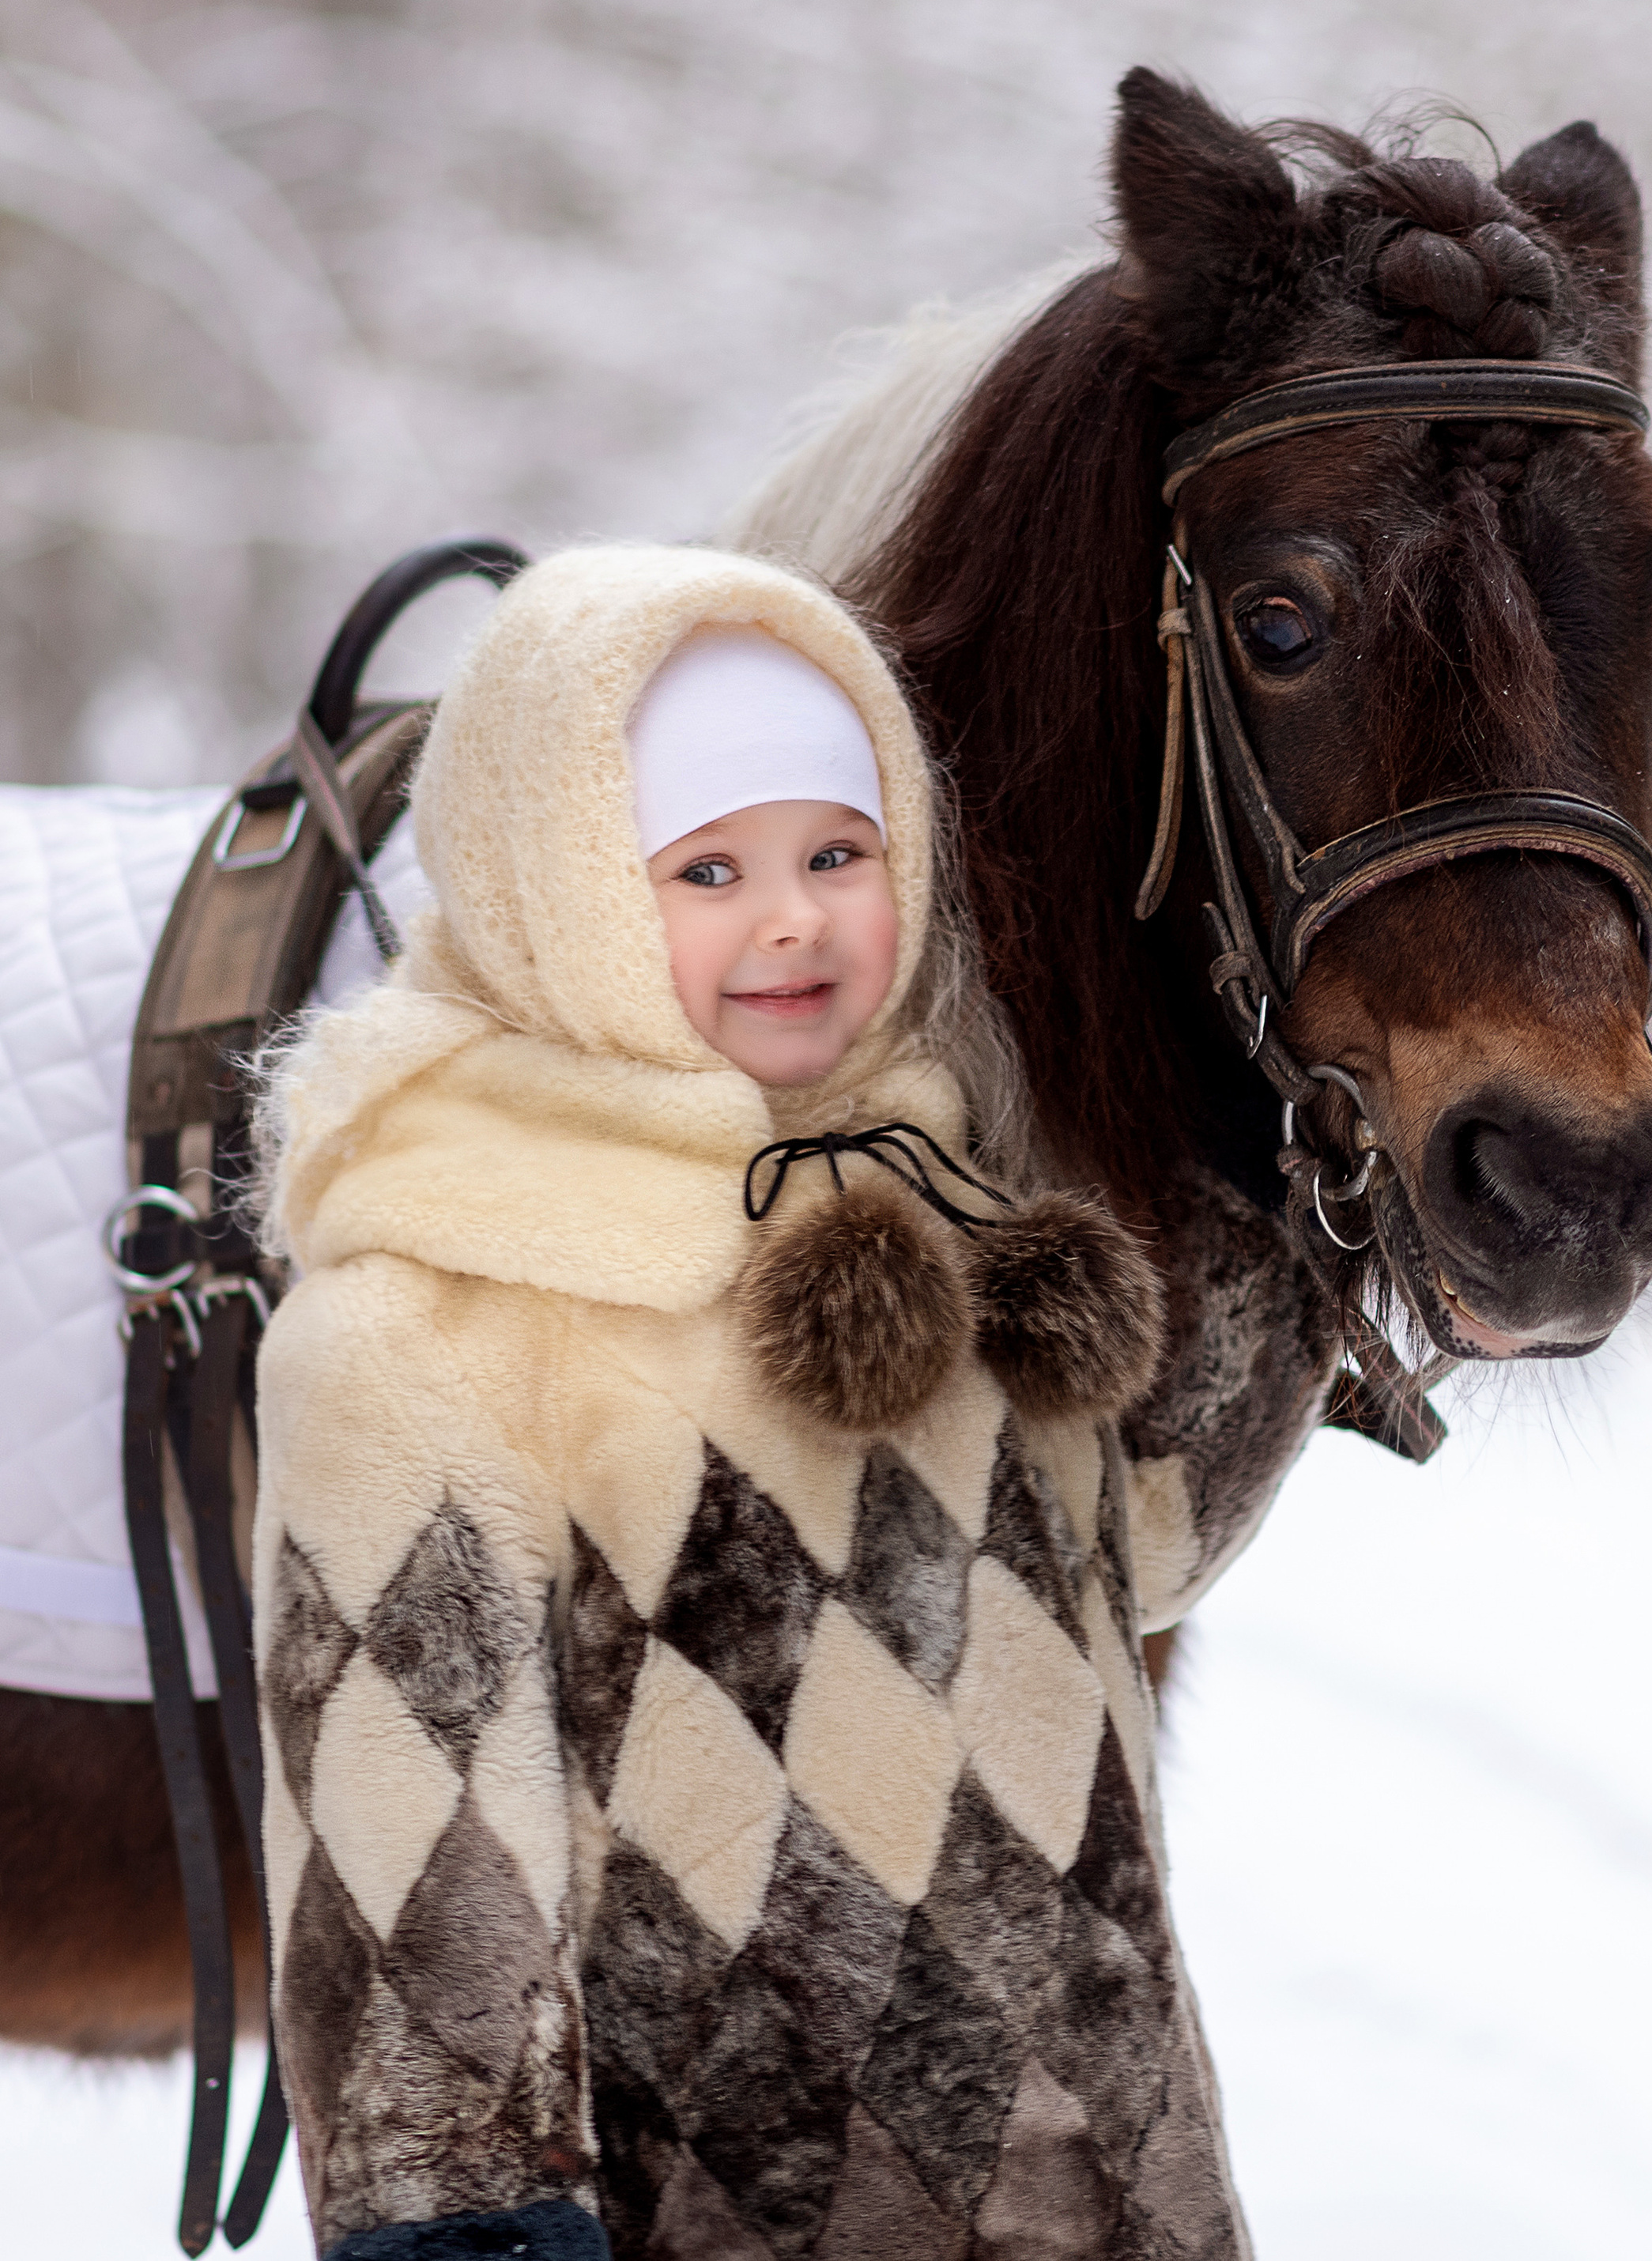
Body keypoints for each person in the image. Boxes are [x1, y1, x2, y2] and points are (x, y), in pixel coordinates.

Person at [251, 543, 1254, 2261]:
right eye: (704, 867)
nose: (791, 915)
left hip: (1104, 2183)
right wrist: (464, 2221)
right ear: (553, 884)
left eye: (835, 852)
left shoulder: (957, 1211)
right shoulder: (434, 1302)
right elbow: (406, 1848)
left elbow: (1143, 1570)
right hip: (729, 2202)